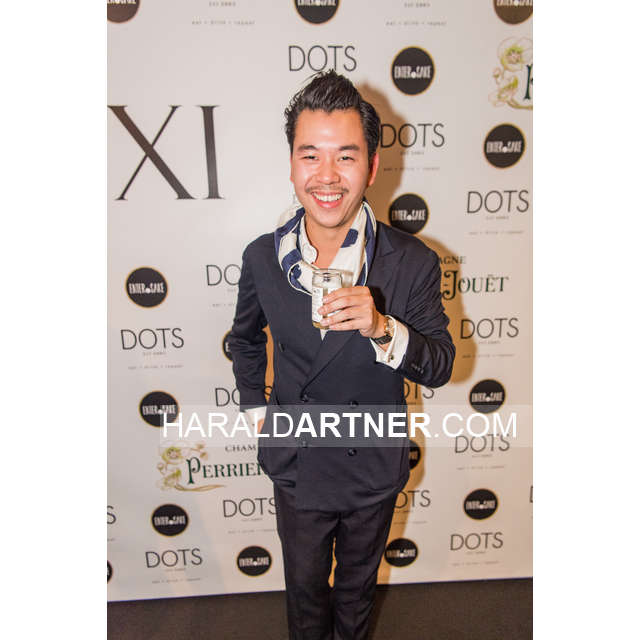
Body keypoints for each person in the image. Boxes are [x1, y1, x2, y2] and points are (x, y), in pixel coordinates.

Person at [228, 70, 455, 640]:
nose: (327, 176)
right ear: (291, 164)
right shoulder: (262, 258)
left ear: (372, 167)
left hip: (371, 464)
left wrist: (382, 328)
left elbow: (441, 364)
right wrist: (258, 414)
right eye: (311, 156)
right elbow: (244, 339)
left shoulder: (412, 262)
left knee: (355, 597)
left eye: (345, 157)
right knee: (305, 597)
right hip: (298, 462)